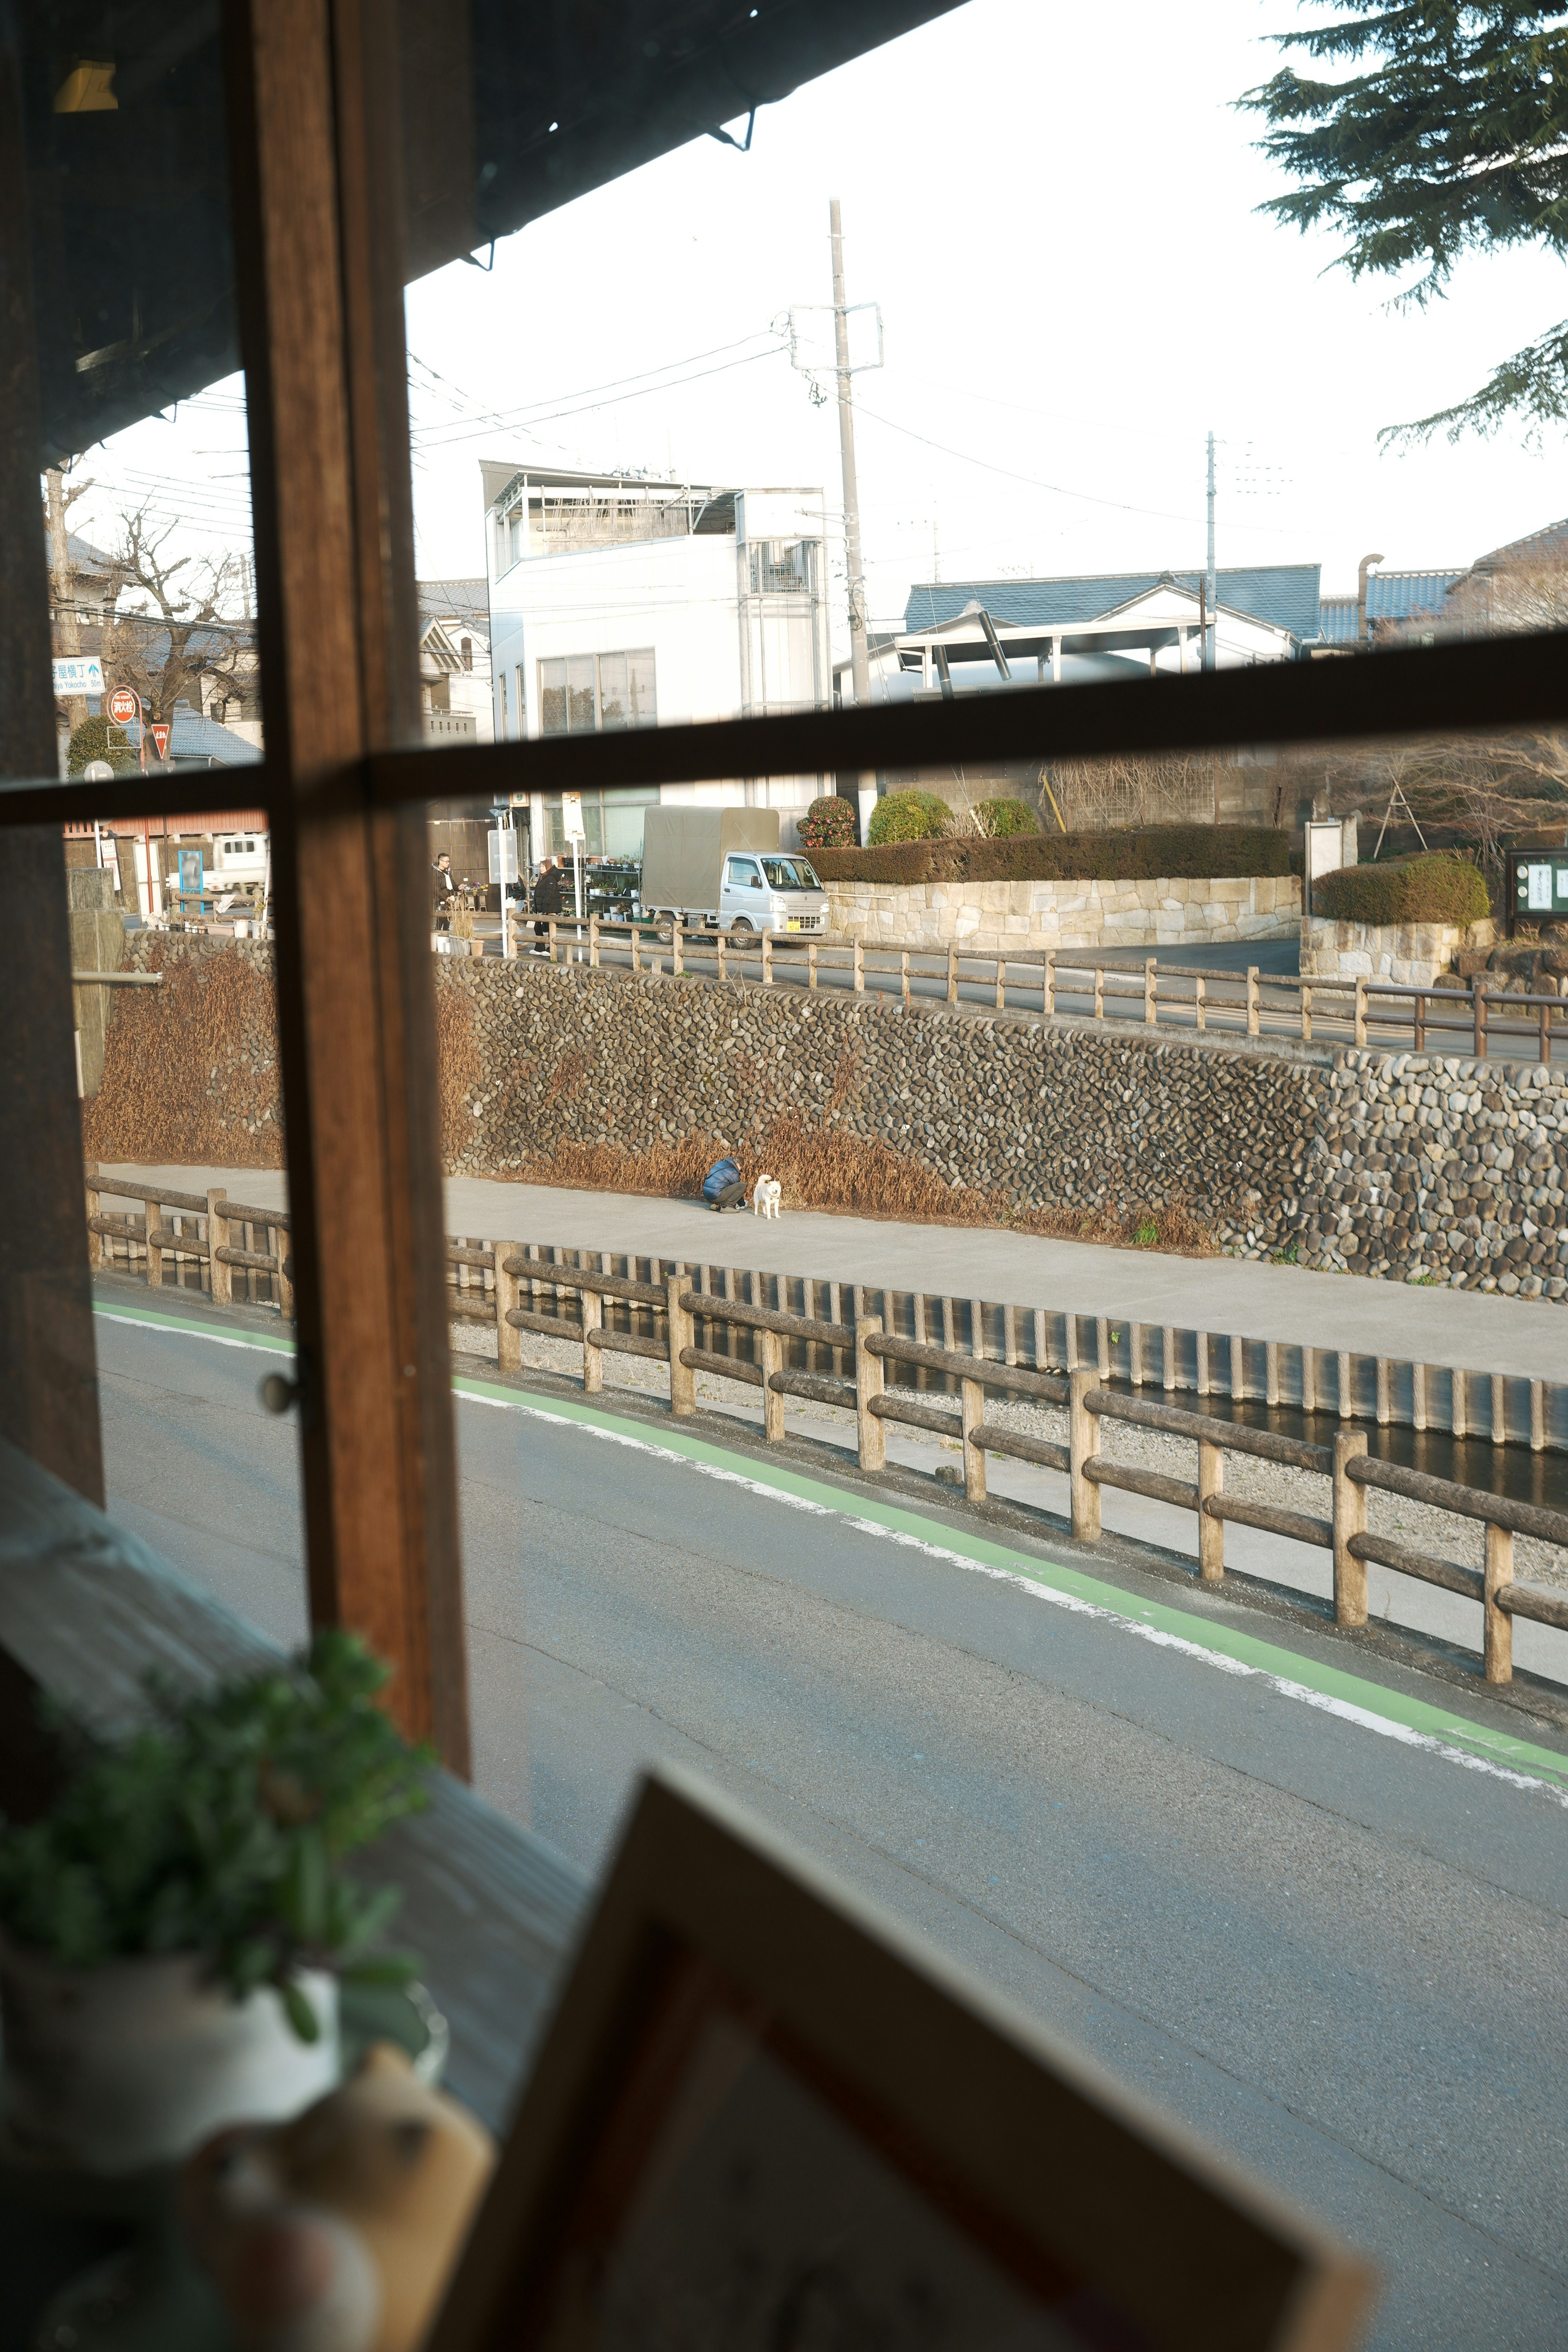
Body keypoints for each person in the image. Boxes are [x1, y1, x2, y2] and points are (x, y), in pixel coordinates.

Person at [532, 856, 566, 944]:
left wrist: (544, 908)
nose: (541, 868)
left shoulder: (550, 879)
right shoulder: (542, 878)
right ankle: (540, 947)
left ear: (548, 867)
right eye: (540, 867)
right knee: (538, 927)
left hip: (550, 908)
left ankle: (550, 948)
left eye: (543, 867)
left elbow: (549, 894)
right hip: (543, 909)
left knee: (549, 929)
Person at [431, 851, 457, 931]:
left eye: (449, 861)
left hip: (450, 900)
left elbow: (453, 884)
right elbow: (435, 888)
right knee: (441, 920)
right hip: (440, 900)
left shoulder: (448, 872)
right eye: (446, 861)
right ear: (441, 862)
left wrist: (458, 887)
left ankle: (446, 940)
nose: (448, 863)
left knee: (447, 921)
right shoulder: (435, 873)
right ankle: (437, 940)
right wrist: (445, 898)